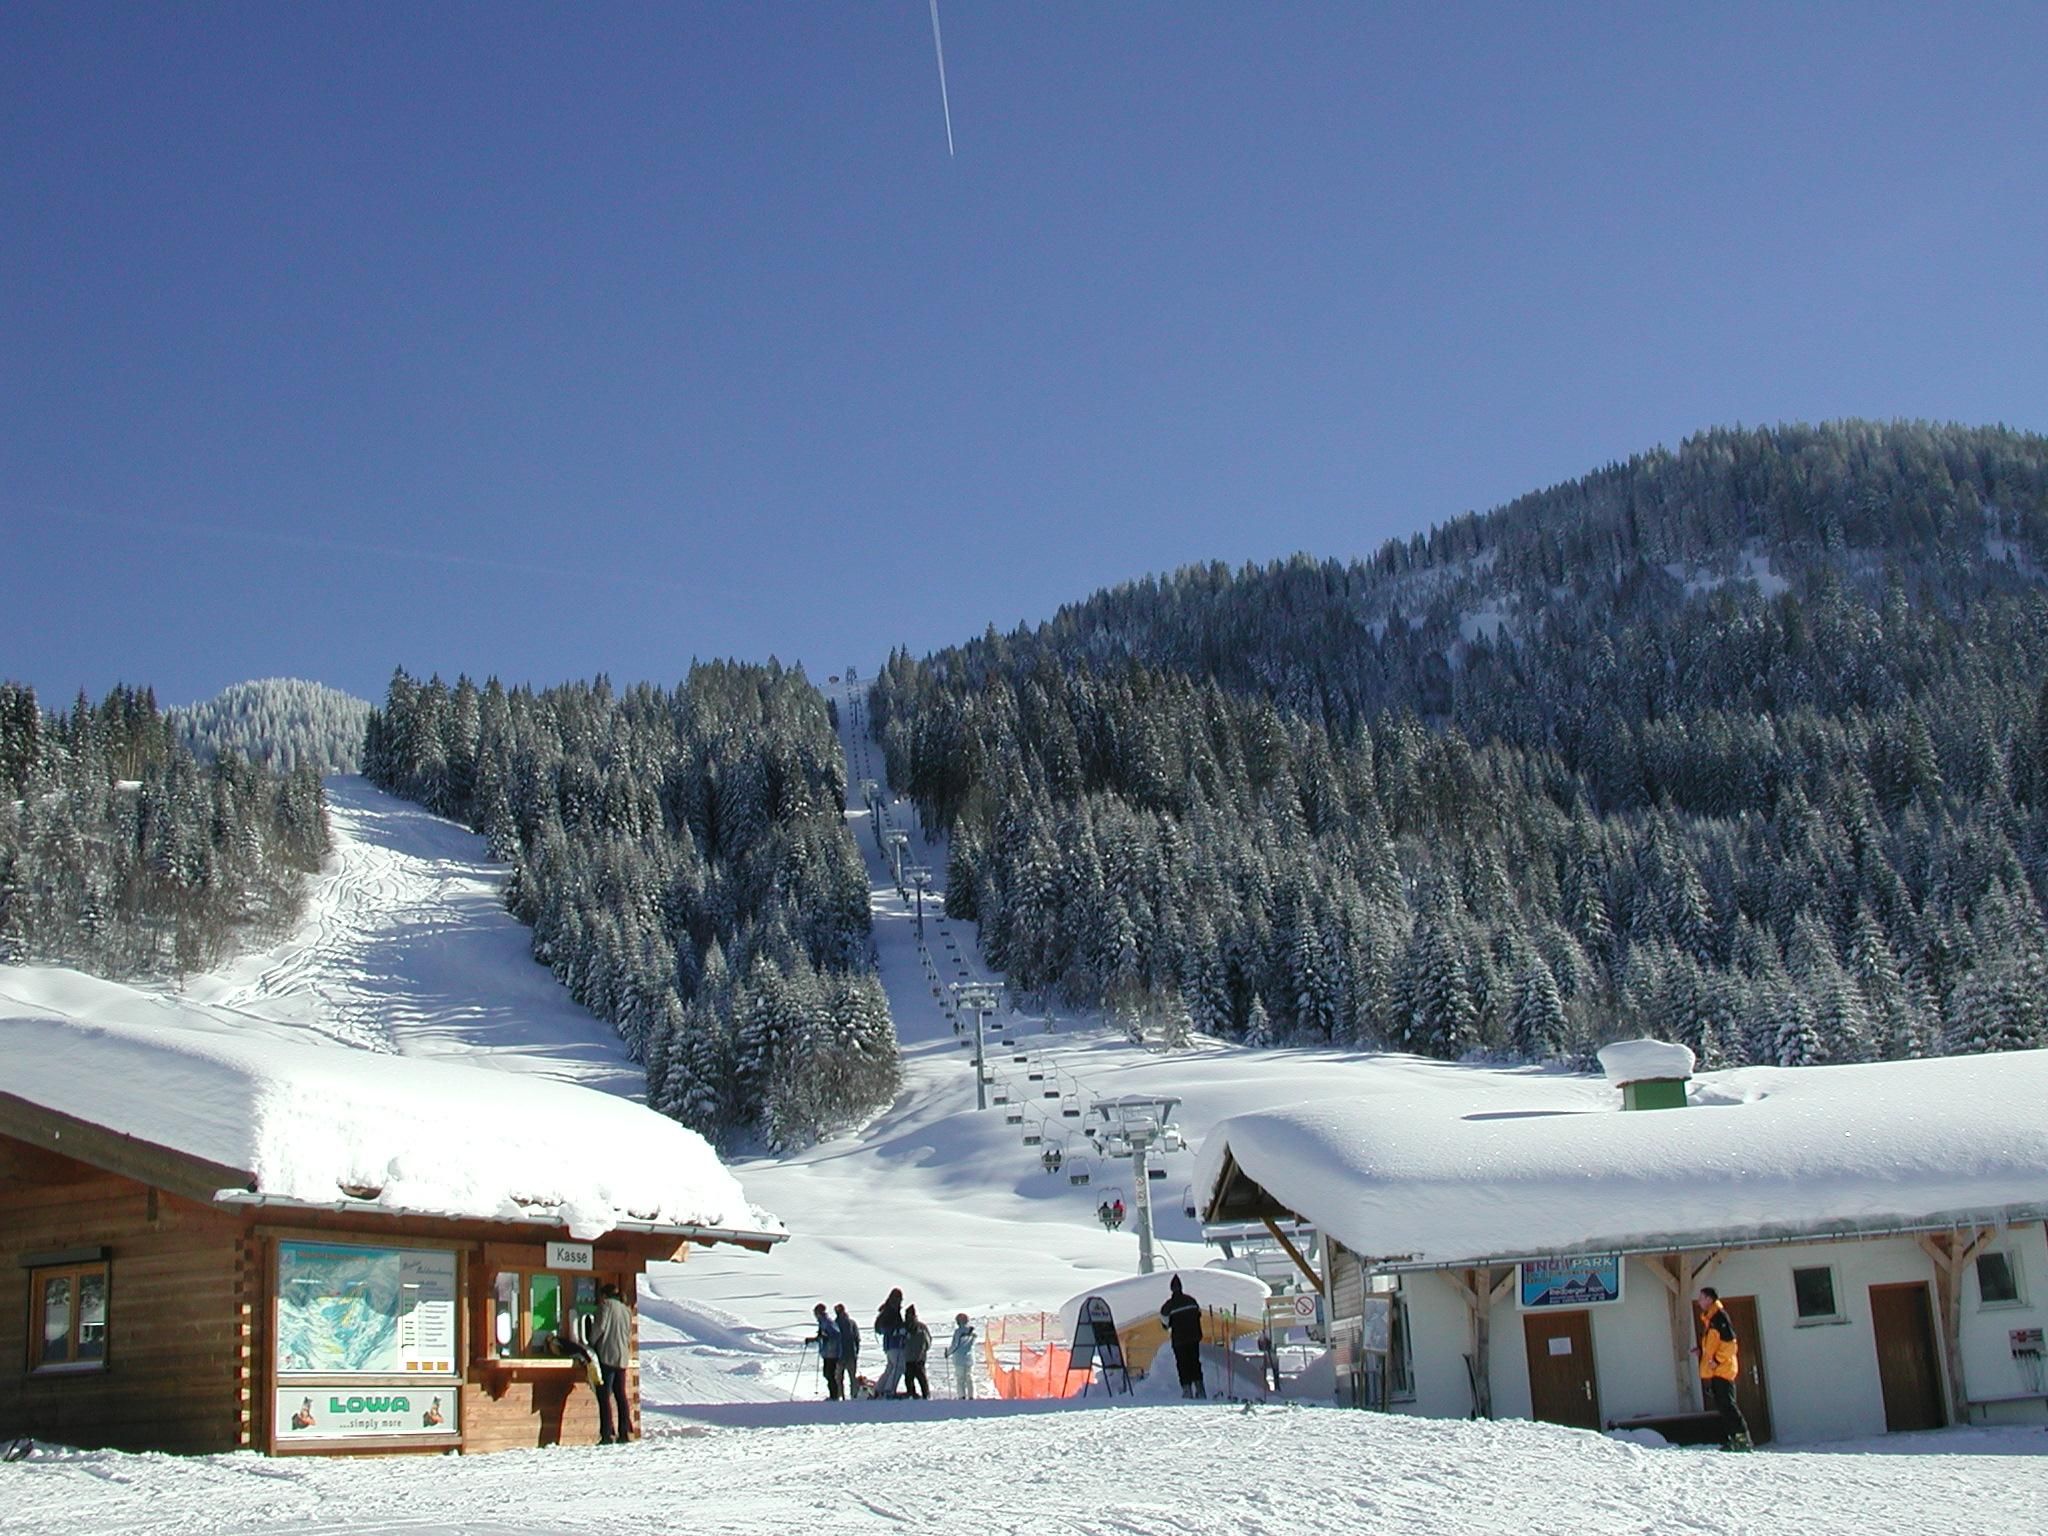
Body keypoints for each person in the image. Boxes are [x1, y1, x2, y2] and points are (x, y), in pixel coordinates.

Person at [1692, 1287, 1753, 1451]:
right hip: (1716, 1371)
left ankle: (1743, 1439)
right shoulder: (1710, 1319)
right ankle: (1733, 1439)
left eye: (1701, 1298)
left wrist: (1717, 1361)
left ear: (1709, 1299)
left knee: (1728, 1405)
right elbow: (1713, 1344)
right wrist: (1701, 1351)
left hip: (1724, 1370)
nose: (1699, 1301)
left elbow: (1730, 1345)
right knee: (1722, 1406)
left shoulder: (1719, 1317)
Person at [588, 1281, 635, 1444]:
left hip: (607, 1355)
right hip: (622, 1357)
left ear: (604, 1295)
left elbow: (600, 1327)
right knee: (620, 1395)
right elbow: (628, 1333)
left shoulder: (605, 1306)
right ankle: (624, 1431)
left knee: (604, 1395)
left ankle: (607, 1433)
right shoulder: (626, 1309)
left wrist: (590, 1342)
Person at [1160, 1275, 1206, 1399]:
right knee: (1195, 1362)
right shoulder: (1191, 1301)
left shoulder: (1168, 1306)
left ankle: (1187, 1390)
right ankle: (1200, 1389)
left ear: (1171, 1289)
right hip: (1194, 1337)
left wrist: (1169, 1325)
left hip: (1179, 1340)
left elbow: (1164, 1322)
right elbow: (1198, 1314)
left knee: (1182, 1364)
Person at [873, 1288, 907, 1398]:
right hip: (894, 1344)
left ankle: (879, 1388)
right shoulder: (891, 1311)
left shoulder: (888, 1310)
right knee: (899, 1367)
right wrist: (897, 1331)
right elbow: (886, 1327)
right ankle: (889, 1390)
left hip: (889, 1345)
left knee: (891, 1367)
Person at [807, 1302, 844, 1400]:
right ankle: (833, 1395)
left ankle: (834, 1396)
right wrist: (813, 1339)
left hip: (832, 1352)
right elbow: (822, 1336)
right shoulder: (823, 1322)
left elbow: (836, 1334)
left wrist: (825, 1337)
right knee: (827, 1374)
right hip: (827, 1352)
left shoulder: (827, 1322)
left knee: (830, 1374)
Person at [902, 1305, 932, 1399]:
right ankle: (923, 1394)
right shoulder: (921, 1327)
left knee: (912, 1377)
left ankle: (915, 1394)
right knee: (918, 1377)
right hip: (916, 1357)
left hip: (911, 1357)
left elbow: (927, 1341)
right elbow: (928, 1341)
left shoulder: (905, 1327)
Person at [948, 1312, 978, 1399]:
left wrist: (948, 1353)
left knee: (960, 1378)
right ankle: (972, 1396)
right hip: (970, 1358)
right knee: (970, 1377)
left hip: (959, 1359)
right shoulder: (972, 1332)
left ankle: (962, 1396)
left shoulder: (958, 1332)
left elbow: (955, 1345)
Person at [835, 1303, 862, 1393]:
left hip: (842, 1355)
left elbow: (856, 1338)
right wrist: (856, 1351)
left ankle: (841, 1395)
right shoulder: (851, 1323)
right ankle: (852, 1395)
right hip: (849, 1354)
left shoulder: (835, 1324)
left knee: (840, 1378)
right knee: (850, 1377)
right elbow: (857, 1338)